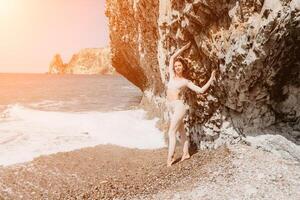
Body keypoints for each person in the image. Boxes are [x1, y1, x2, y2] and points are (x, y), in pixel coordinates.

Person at [166, 42, 216, 167]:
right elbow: (172, 58)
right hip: (171, 107)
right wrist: (184, 48)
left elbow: (200, 90)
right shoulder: (171, 76)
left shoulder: (185, 81)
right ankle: (186, 153)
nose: (177, 67)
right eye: (176, 66)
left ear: (183, 68)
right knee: (181, 131)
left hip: (179, 106)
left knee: (171, 133)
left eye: (179, 66)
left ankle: (170, 158)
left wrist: (211, 78)